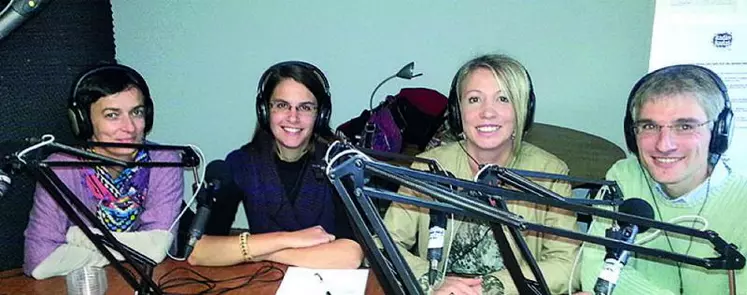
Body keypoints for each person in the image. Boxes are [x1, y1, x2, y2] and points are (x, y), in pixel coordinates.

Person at [381, 54, 580, 295]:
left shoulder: (550, 173)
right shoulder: (429, 166)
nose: (487, 112)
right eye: (474, 99)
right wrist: (431, 279)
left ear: (522, 111)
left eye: (503, 99)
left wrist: (492, 286)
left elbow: (566, 264)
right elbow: (384, 244)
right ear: (457, 112)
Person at [576, 65, 747, 294]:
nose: (664, 145)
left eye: (685, 126)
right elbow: (594, 272)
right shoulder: (626, 175)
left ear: (719, 132)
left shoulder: (742, 201)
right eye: (649, 126)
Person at [187, 61, 363, 269]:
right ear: (265, 110)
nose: (293, 117)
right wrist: (286, 239)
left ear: (320, 115)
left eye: (305, 107)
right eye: (281, 105)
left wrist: (263, 252)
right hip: (264, 284)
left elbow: (351, 255)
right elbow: (200, 252)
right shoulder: (243, 164)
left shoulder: (340, 164)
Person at [23, 64, 185, 279]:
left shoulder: (163, 161)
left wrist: (82, 238)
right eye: (112, 115)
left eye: (136, 112)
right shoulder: (60, 168)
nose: (129, 128)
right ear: (84, 121)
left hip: (145, 282)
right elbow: (39, 262)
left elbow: (157, 250)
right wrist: (136, 251)